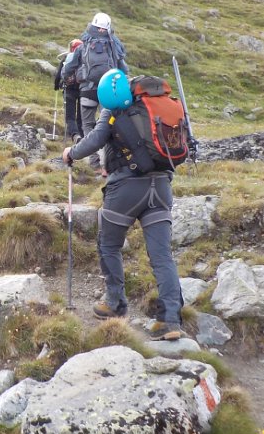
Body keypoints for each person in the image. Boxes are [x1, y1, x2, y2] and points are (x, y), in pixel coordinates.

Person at [61, 74, 186, 340]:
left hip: (126, 189)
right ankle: (170, 320)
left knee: (109, 244)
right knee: (162, 256)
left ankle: (115, 302)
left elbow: (96, 139)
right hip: (161, 187)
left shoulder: (115, 109)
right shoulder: (162, 106)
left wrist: (71, 153)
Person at [61, 12, 129, 171]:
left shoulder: (83, 44)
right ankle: (107, 164)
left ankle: (94, 162)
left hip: (87, 89)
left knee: (88, 125)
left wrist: (65, 78)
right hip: (109, 91)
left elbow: (69, 66)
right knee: (108, 124)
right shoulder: (113, 44)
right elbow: (124, 69)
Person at [53, 38, 83, 141]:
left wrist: (56, 86)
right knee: (81, 117)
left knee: (70, 117)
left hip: (69, 90)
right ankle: (82, 138)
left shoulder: (67, 58)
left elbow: (58, 75)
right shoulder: (86, 59)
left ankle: (75, 135)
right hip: (83, 90)